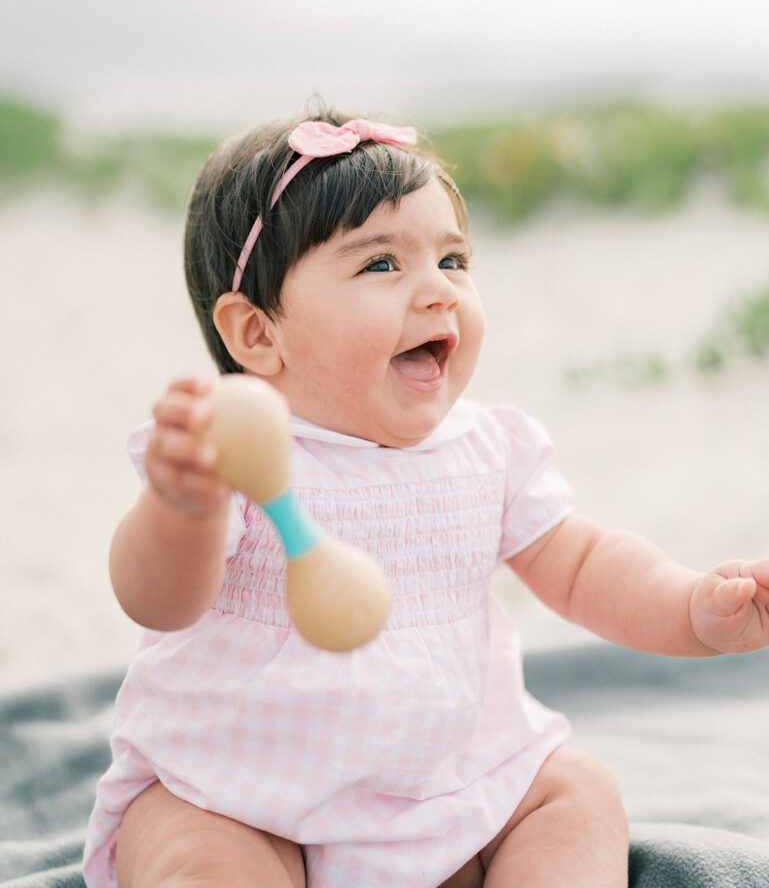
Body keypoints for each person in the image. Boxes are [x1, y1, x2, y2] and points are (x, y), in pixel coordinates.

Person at [84, 107, 769, 888]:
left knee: (575, 794)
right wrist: (183, 508)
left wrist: (690, 609)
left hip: (444, 781)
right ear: (257, 335)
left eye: (452, 259)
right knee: (193, 851)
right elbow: (158, 601)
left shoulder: (488, 449)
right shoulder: (239, 454)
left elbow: (582, 566)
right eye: (380, 265)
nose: (438, 292)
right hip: (240, 789)